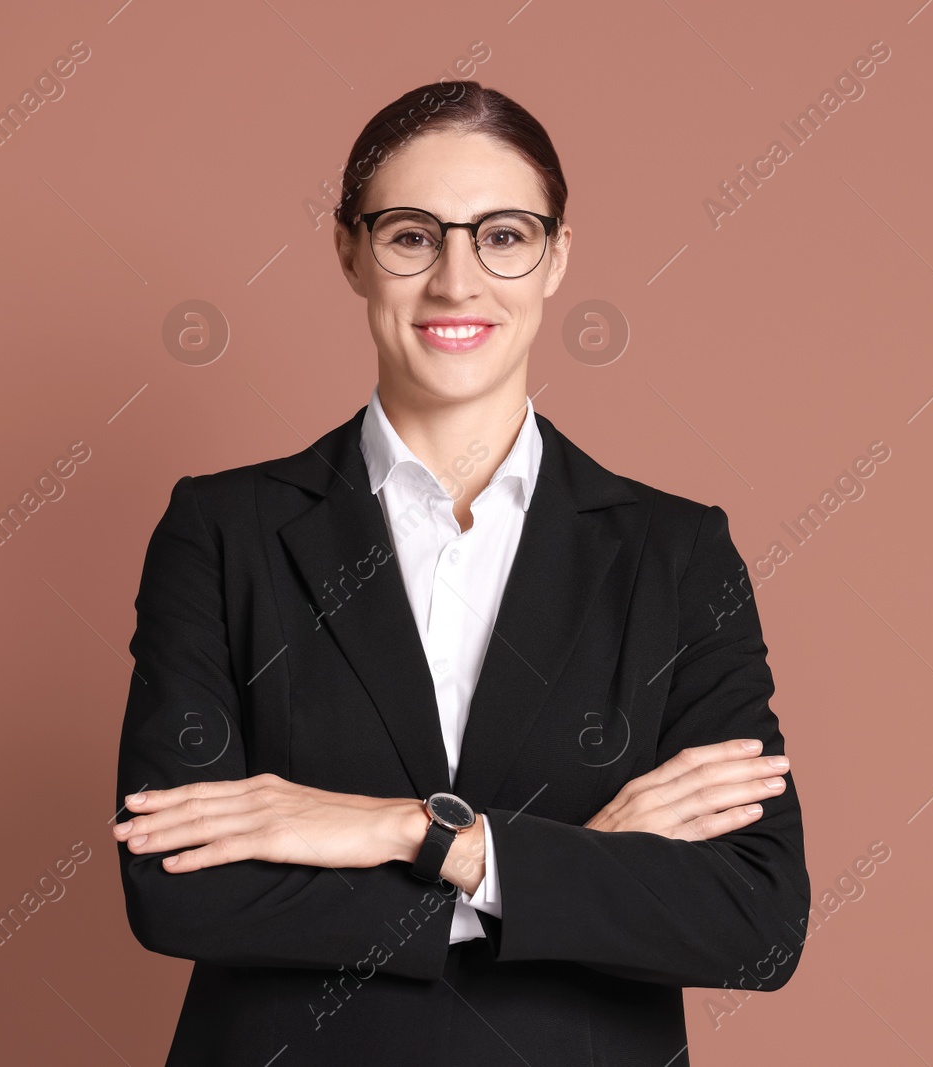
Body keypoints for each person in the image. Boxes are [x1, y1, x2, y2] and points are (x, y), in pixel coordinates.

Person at [113, 79, 809, 1066]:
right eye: (410, 235)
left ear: (557, 255)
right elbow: (177, 883)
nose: (455, 281)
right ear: (350, 251)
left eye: (503, 235)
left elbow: (753, 916)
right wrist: (577, 862)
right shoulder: (226, 530)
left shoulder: (674, 553)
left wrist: (421, 835)